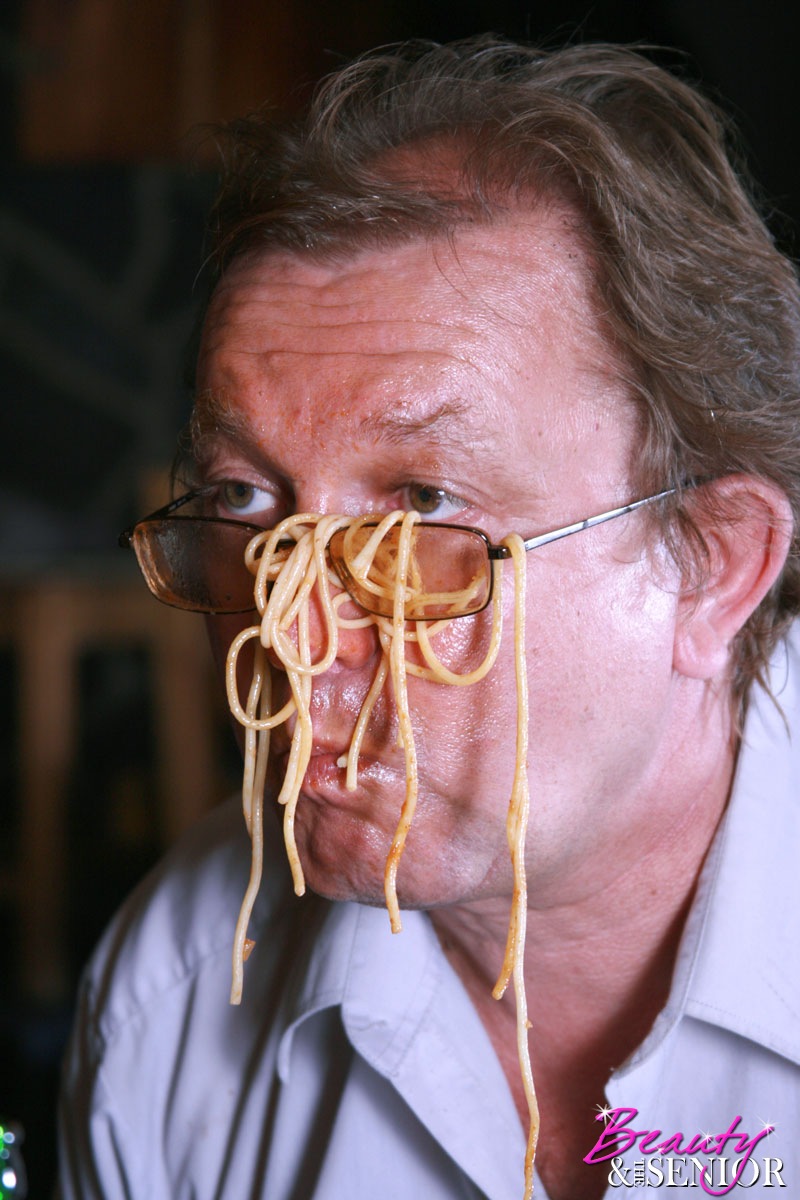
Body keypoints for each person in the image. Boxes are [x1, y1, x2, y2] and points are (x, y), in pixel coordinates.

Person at [58, 36, 800, 1200]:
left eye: (420, 508)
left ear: (711, 566)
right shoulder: (176, 1001)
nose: (293, 641)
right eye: (244, 499)